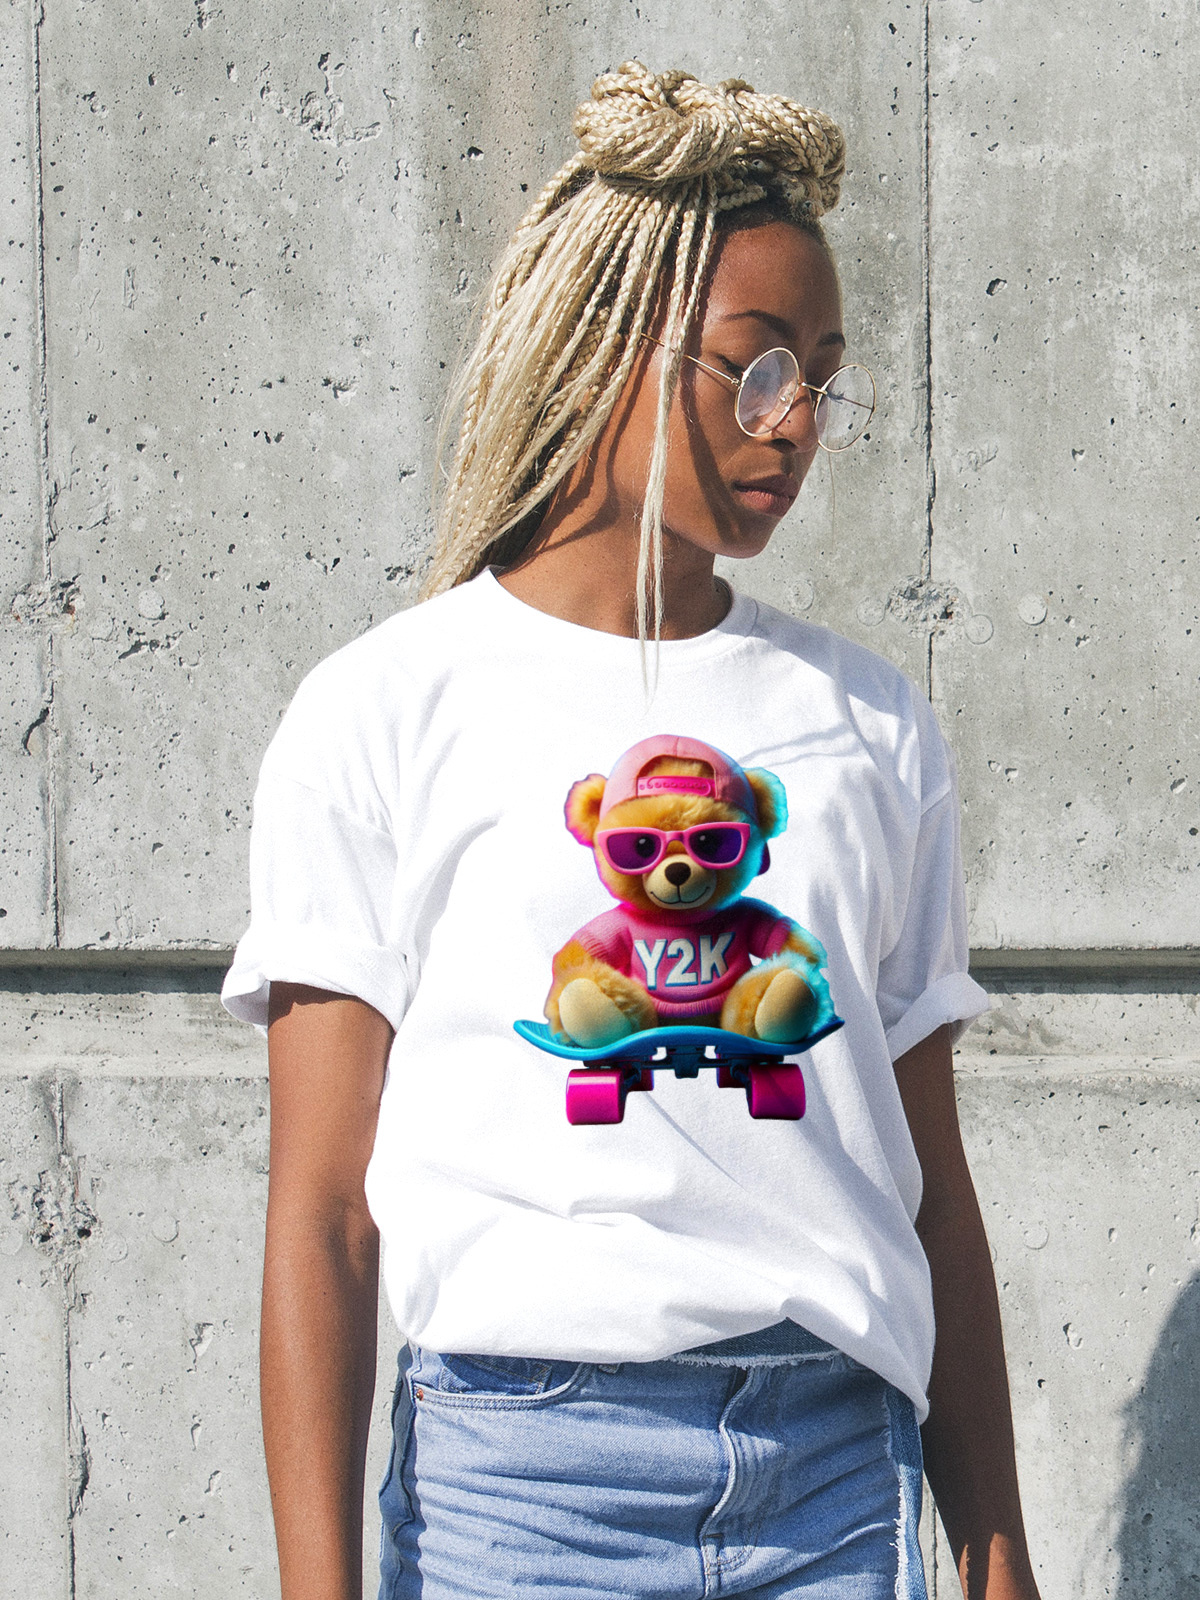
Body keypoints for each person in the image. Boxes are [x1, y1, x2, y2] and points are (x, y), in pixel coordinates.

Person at [222, 60, 1043, 1600]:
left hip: (834, 1481)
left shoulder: (870, 724)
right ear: (607, 344)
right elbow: (323, 1215)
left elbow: (932, 1187)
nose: (793, 422)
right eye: (755, 365)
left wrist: (996, 1554)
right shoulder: (386, 708)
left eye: (823, 377)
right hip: (518, 1493)